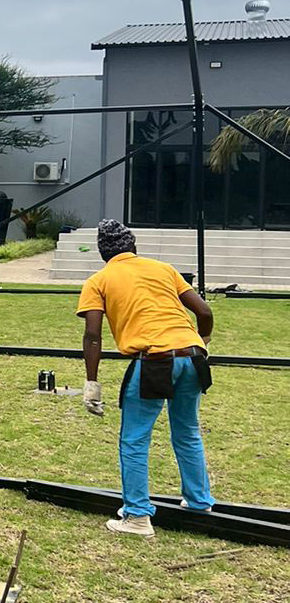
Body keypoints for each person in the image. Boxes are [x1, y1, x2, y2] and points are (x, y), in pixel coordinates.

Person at [77, 217, 214, 540]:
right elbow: (205, 313)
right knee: (188, 431)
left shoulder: (99, 280)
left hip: (153, 361)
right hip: (193, 358)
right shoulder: (163, 269)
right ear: (134, 246)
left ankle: (137, 516)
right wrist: (202, 342)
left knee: (135, 439)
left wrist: (92, 383)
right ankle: (199, 502)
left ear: (102, 253)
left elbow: (92, 335)